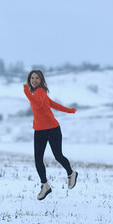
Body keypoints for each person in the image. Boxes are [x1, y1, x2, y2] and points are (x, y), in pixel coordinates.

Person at [23, 69, 78, 200]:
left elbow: (38, 104)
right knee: (38, 160)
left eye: (37, 78)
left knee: (58, 156)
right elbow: (53, 104)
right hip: (39, 131)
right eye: (32, 78)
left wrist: (26, 92)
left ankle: (71, 174)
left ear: (41, 80)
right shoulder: (36, 93)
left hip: (53, 129)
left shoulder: (40, 92)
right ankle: (45, 186)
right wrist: (69, 110)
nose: (34, 80)